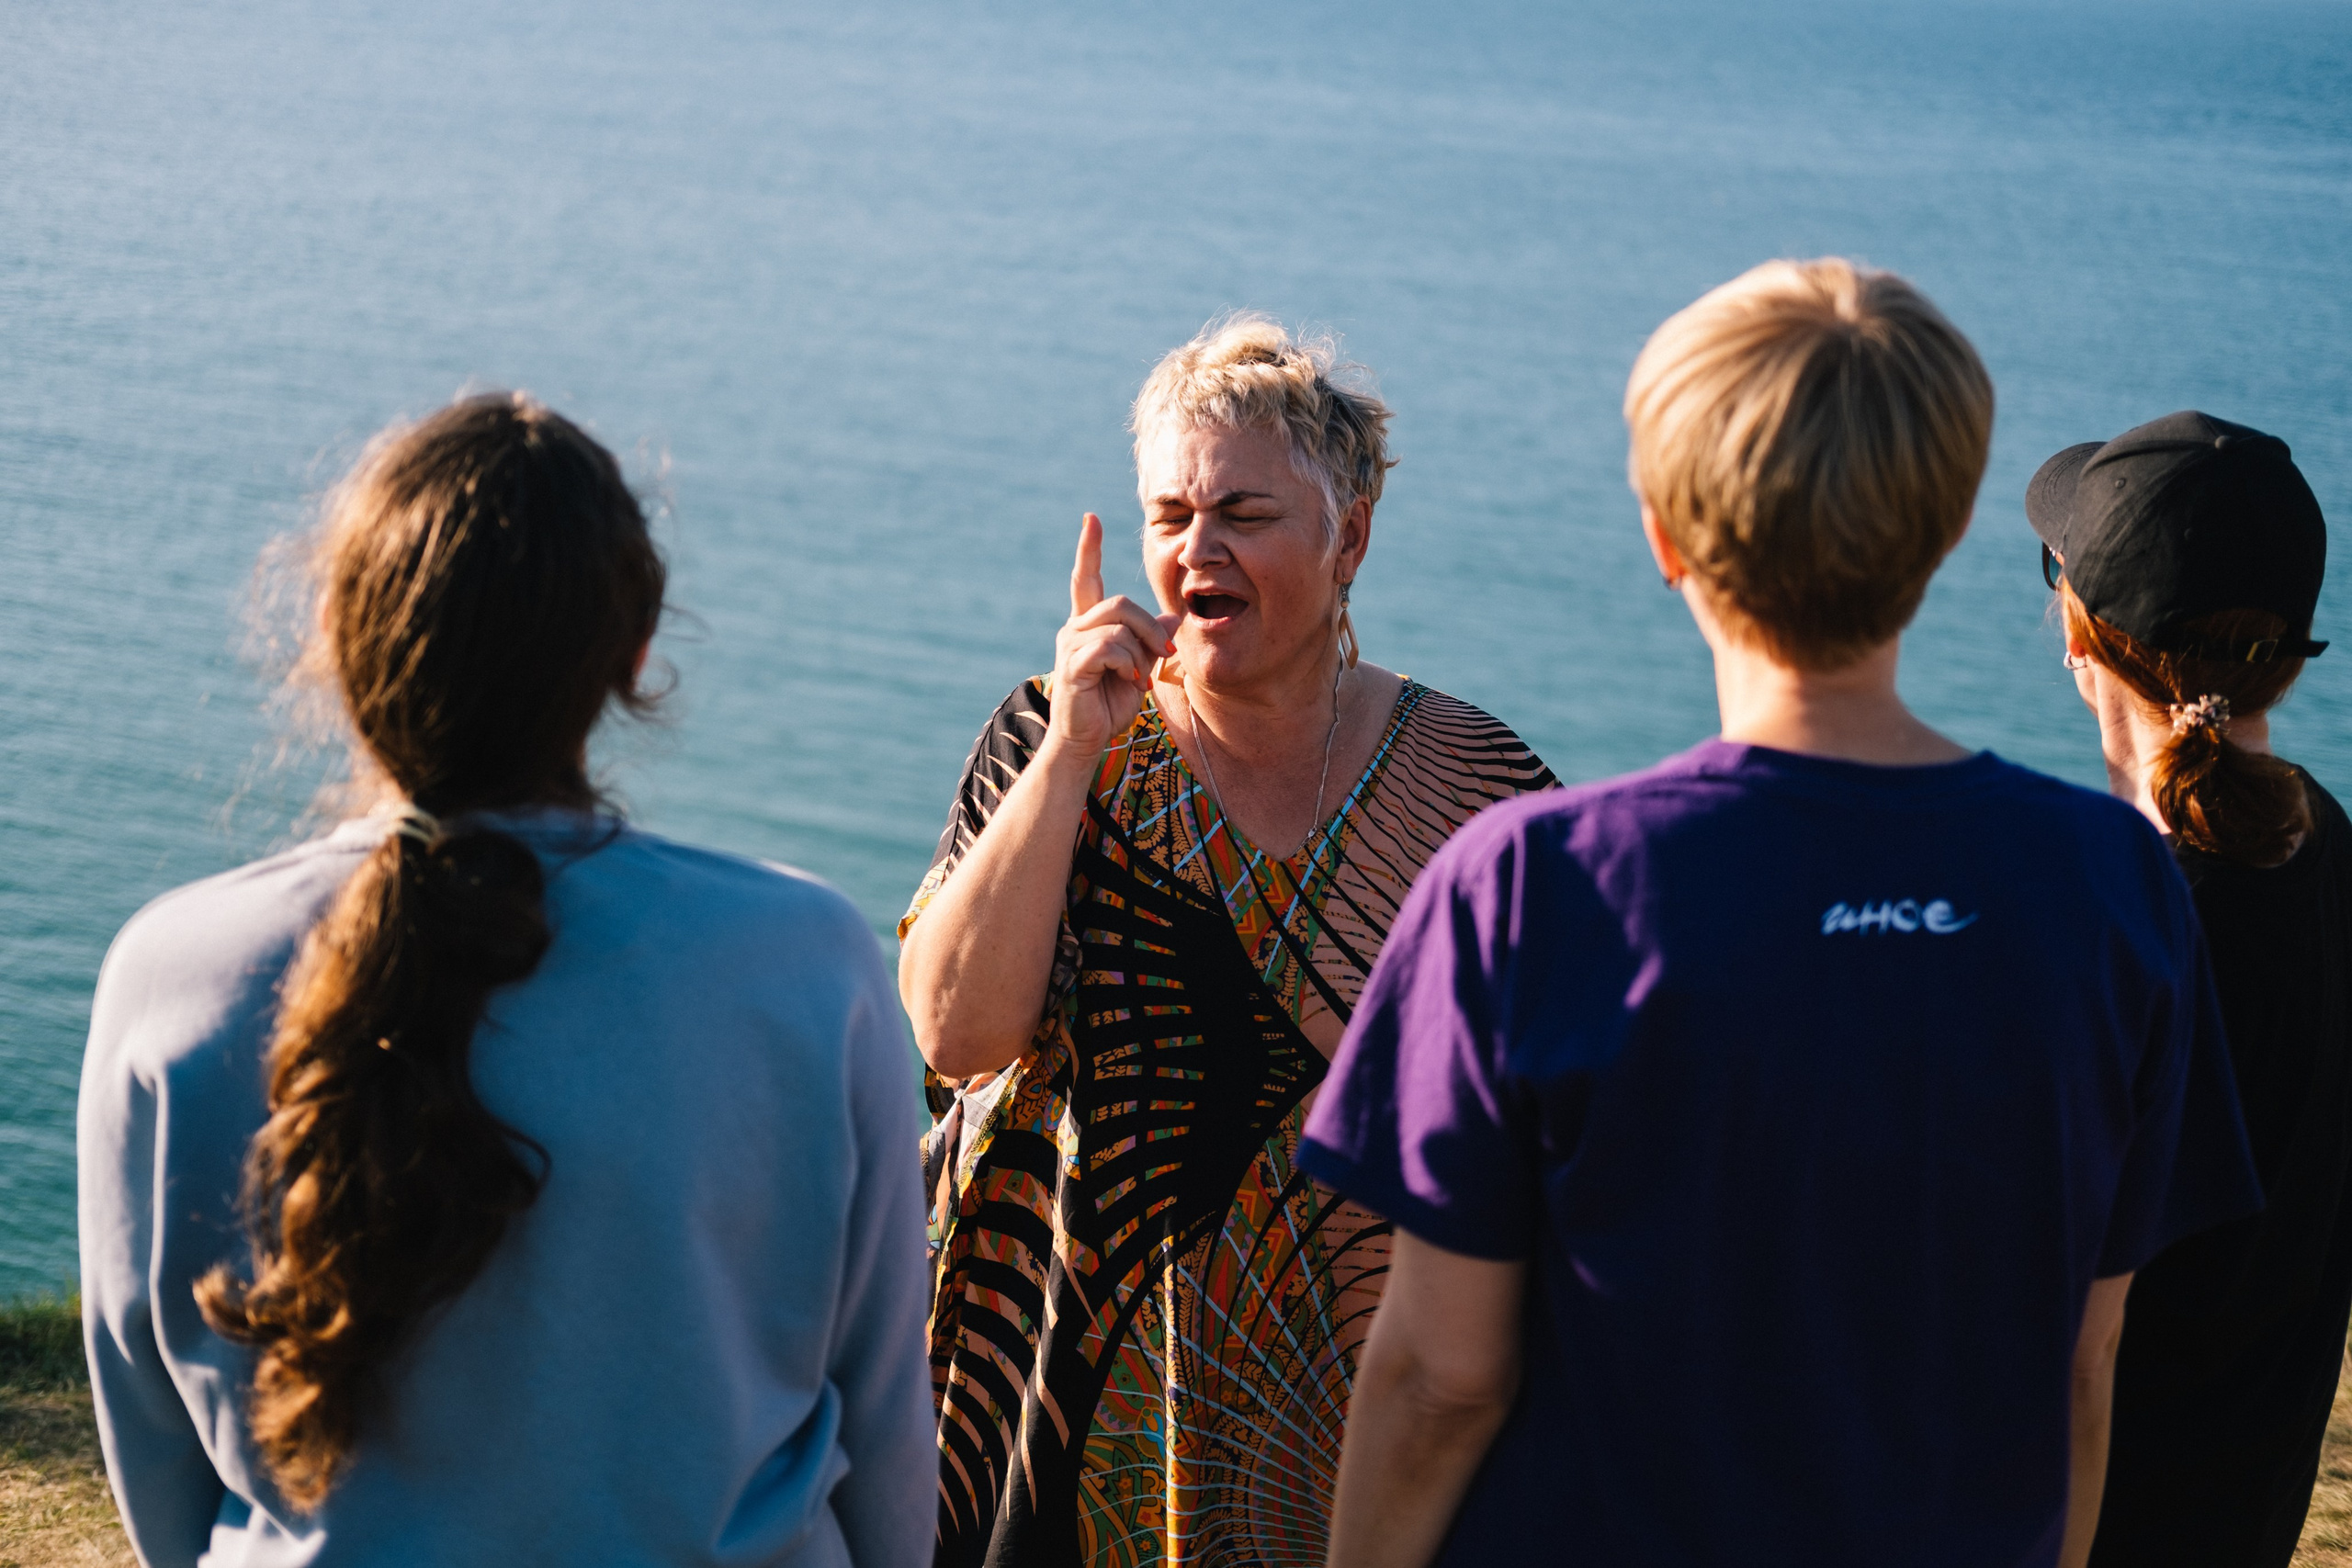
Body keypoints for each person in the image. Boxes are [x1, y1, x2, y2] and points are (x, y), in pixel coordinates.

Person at [1297, 260, 2264, 1568]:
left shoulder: (1528, 884)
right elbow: (2083, 1368)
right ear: (1941, 529)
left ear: (1665, 533)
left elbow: (1439, 1376)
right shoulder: (2112, 884)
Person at [77, 394, 933, 1568]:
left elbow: (153, 1439)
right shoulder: (809, 963)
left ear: (337, 638)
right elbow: (884, 1411)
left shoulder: (171, 974)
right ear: (634, 651)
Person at [896, 315, 1555, 1566]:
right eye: (1169, 515)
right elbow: (956, 1032)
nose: (1196, 549)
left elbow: (1556, 1138)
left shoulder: (1481, 789)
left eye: (1244, 514)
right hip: (1064, 1440)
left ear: (1348, 533)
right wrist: (1072, 753)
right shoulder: (1049, 740)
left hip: (1370, 1451)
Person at [2028, 412, 2348, 1568]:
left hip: (2083, 1522)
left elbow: (2058, 1330)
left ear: (2080, 636)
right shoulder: (2325, 844)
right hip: (2244, 1503)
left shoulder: (2110, 925)